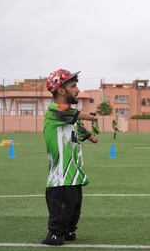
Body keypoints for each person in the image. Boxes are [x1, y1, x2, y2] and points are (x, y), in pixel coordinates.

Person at [42, 69, 98, 245]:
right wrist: (92, 117)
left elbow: (77, 127)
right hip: (60, 178)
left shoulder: (68, 117)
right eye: (73, 86)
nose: (77, 89)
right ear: (61, 90)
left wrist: (90, 136)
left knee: (74, 208)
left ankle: (68, 231)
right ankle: (54, 234)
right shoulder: (54, 111)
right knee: (61, 212)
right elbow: (74, 115)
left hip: (74, 176)